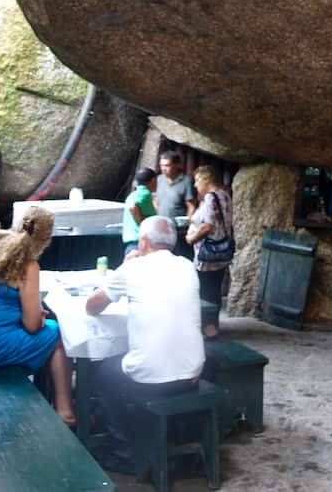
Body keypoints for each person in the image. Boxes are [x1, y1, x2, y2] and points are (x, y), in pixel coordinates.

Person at [85, 216, 204, 472]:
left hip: (150, 381)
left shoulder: (133, 269)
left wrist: (122, 268)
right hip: (192, 373)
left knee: (103, 374)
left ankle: (125, 451)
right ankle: (177, 438)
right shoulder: (187, 266)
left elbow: (92, 307)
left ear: (143, 241)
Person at [0, 206, 75, 427]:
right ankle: (65, 410)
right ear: (46, 238)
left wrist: (35, 315)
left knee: (47, 330)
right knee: (57, 332)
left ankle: (48, 399)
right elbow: (32, 326)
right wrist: (38, 317)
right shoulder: (28, 265)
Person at [186, 165, 233, 339]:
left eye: (197, 181)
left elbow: (207, 226)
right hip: (221, 252)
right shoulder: (225, 195)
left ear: (206, 180)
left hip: (208, 254)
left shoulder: (210, 198)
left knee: (205, 292)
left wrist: (192, 238)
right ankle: (213, 326)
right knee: (214, 290)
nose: (196, 186)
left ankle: (208, 329)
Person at [122, 168, 157, 260]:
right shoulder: (145, 193)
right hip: (139, 244)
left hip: (133, 243)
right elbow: (133, 207)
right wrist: (142, 225)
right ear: (153, 180)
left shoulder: (132, 195)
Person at [153, 151, 196, 219]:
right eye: (161, 165)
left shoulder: (187, 181)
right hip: (161, 223)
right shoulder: (159, 179)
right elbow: (155, 200)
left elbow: (191, 206)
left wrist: (188, 223)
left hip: (178, 227)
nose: (163, 169)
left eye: (167, 165)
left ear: (177, 165)